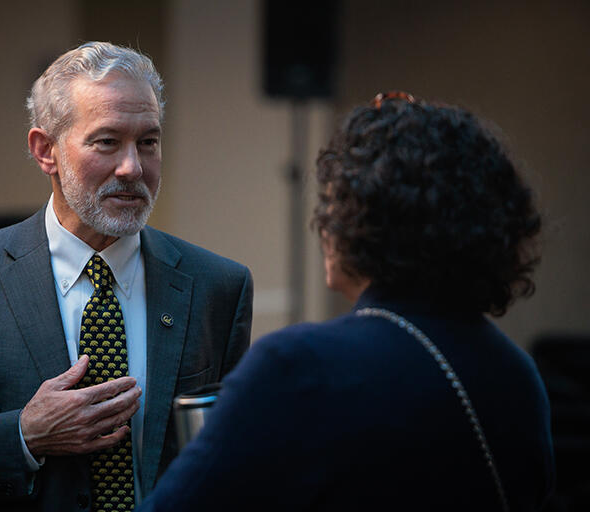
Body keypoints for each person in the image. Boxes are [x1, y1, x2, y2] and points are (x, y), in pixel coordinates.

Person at [0, 42, 253, 511]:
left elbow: (237, 456)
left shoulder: (217, 286)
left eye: (147, 142)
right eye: (107, 141)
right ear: (45, 150)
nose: (132, 167)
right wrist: (24, 436)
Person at [137, 92, 555, 511]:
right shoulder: (518, 375)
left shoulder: (300, 366)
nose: (322, 224)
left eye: (332, 202)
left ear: (365, 222)